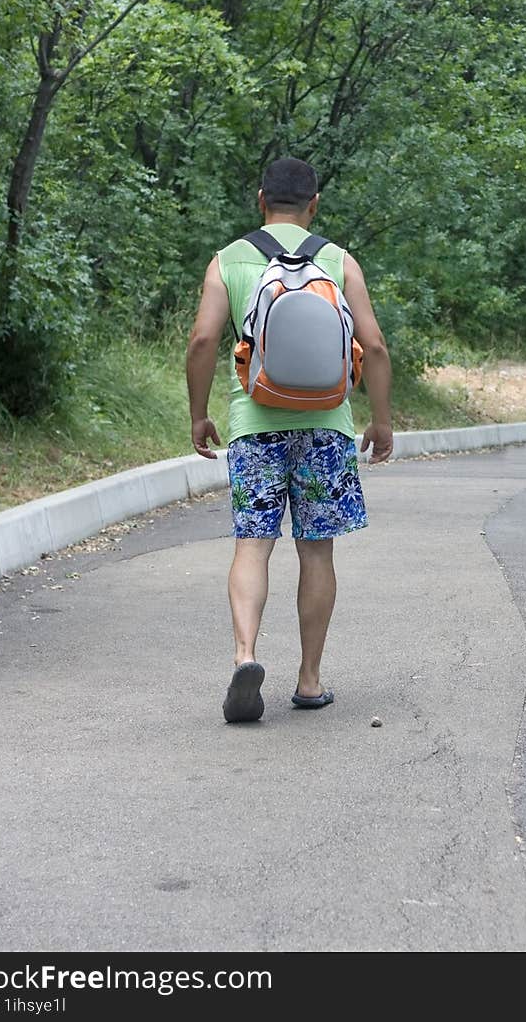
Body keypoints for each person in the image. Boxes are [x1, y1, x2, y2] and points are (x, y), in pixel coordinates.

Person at [186, 157, 393, 723]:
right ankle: (309, 679)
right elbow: (372, 346)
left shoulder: (228, 260)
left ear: (260, 200)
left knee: (253, 542)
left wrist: (199, 413)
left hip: (255, 425)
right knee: (316, 549)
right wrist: (380, 420)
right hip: (326, 425)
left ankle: (245, 654)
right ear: (313, 204)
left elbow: (204, 339)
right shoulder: (338, 260)